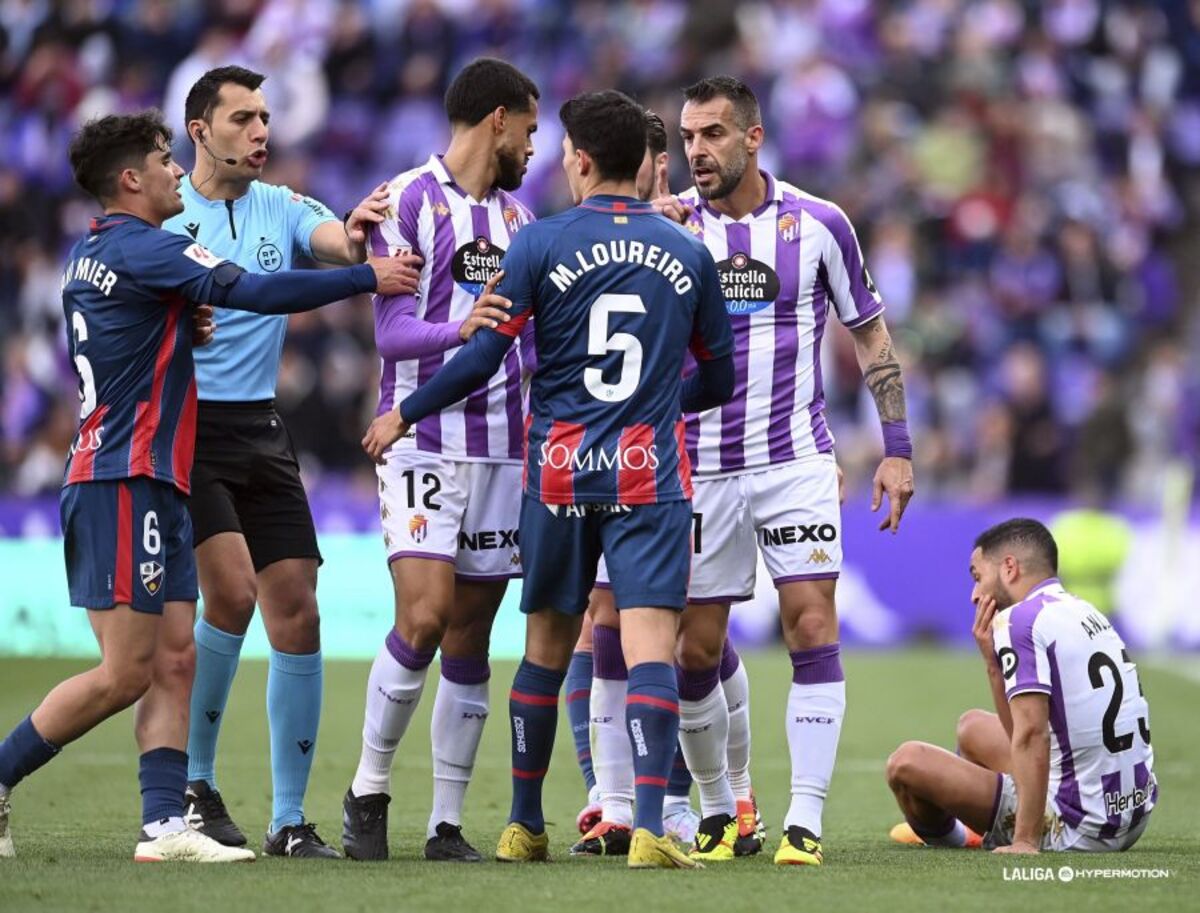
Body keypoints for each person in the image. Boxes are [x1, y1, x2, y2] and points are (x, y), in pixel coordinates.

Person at [0, 111, 413, 862]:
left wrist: (174, 328)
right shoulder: (146, 246)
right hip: (123, 475)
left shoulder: (94, 254)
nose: (172, 174)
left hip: (149, 472)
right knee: (127, 669)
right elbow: (249, 289)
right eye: (162, 161)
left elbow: (113, 332)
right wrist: (363, 277)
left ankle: (166, 824)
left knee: (176, 657)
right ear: (131, 179)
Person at [362, 89, 735, 869]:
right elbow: (719, 379)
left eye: (564, 150)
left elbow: (480, 357)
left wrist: (407, 411)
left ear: (585, 159)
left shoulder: (540, 244)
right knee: (649, 647)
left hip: (559, 470)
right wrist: (657, 402)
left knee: (544, 648)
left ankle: (524, 824)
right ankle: (652, 829)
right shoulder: (691, 253)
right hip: (646, 470)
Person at [653, 76, 914, 865]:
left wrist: (896, 445)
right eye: (687, 137)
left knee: (811, 624)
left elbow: (871, 337)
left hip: (796, 459)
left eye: (712, 135)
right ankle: (717, 808)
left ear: (753, 137)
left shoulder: (821, 223)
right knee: (695, 650)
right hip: (700, 465)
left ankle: (804, 819)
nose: (695, 151)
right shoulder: (670, 227)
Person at [165, 65, 422, 859]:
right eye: (242, 118)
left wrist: (362, 224)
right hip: (190, 428)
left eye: (266, 118)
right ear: (200, 130)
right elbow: (239, 294)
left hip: (261, 430)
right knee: (233, 594)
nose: (261, 132)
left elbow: (337, 237)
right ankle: (196, 786)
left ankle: (286, 818)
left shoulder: (282, 204)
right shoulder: (169, 215)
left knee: (298, 611)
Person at [341, 57, 539, 864]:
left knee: (470, 632)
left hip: (504, 450)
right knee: (421, 616)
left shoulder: (524, 224)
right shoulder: (406, 201)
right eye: (529, 128)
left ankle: (445, 822)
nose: (534, 144)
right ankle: (368, 788)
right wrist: (459, 333)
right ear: (498, 119)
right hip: (421, 438)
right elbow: (389, 334)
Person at [886, 519, 1156, 853]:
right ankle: (984, 824)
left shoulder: (1019, 620)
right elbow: (1020, 733)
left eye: (977, 577)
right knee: (972, 726)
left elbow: (1030, 734)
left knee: (906, 763)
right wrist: (992, 663)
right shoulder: (1083, 609)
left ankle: (957, 838)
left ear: (1009, 567)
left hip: (1079, 825)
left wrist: (1025, 841)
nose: (974, 594)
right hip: (1129, 811)